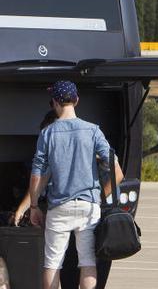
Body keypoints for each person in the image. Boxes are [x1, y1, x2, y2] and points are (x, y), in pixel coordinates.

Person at [28, 81, 123, 289]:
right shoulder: (93, 131)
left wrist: (34, 206)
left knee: (52, 264)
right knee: (88, 262)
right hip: (88, 207)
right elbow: (118, 172)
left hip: (59, 207)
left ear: (54, 102)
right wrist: (99, 198)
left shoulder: (48, 134)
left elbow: (38, 174)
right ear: (76, 100)